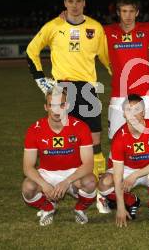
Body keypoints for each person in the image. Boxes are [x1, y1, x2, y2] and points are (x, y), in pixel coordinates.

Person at [26, 0, 111, 178]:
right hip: (62, 89)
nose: (74, 5)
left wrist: (121, 78)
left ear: (84, 3)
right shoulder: (53, 26)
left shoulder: (95, 28)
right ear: (65, 3)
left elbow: (107, 58)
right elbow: (32, 50)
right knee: (64, 139)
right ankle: (62, 181)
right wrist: (39, 77)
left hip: (88, 89)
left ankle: (99, 191)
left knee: (94, 141)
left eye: (78, 1)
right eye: (70, 1)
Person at [21, 86, 97, 226]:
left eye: (61, 105)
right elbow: (27, 167)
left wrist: (67, 181)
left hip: (73, 174)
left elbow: (88, 164)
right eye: (52, 105)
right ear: (46, 107)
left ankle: (80, 209)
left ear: (67, 105)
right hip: (47, 173)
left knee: (91, 182)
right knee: (28, 187)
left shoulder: (80, 127)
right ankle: (47, 207)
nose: (57, 110)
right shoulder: (34, 129)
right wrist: (44, 184)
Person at [98, 94, 149, 226]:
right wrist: (120, 207)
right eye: (129, 110)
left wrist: (134, 175)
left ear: (144, 112)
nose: (133, 114)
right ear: (124, 113)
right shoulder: (119, 137)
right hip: (127, 168)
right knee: (104, 184)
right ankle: (131, 201)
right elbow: (118, 175)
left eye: (137, 110)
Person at [105, 0, 149, 141]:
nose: (128, 15)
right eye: (124, 11)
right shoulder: (108, 32)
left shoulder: (148, 30)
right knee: (116, 137)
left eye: (131, 11)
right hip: (119, 93)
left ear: (137, 12)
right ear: (118, 12)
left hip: (144, 93)